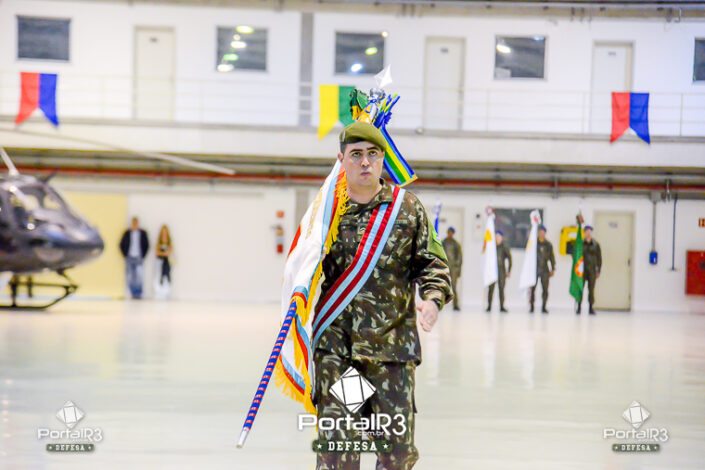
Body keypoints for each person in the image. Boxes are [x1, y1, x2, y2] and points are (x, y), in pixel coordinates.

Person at [314, 121, 453, 470]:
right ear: (341, 159)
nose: (365, 162)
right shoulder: (326, 210)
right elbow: (302, 268)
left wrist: (433, 299)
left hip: (392, 353)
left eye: (373, 154)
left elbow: (433, 263)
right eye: (356, 154)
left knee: (396, 453)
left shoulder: (407, 209)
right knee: (340, 450)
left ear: (382, 159)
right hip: (340, 352)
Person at [119, 217, 149, 299]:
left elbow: (146, 245)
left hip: (139, 257)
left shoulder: (142, 233)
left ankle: (138, 293)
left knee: (139, 276)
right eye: (133, 223)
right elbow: (121, 244)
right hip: (129, 257)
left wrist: (143, 255)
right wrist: (125, 255)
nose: (135, 224)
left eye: (136, 223)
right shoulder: (127, 233)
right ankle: (132, 293)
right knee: (130, 276)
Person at [529, 224, 555, 314]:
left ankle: (544, 306)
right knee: (532, 289)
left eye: (543, 232)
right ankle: (532, 307)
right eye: (540, 232)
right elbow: (528, 256)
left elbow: (552, 257)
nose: (541, 234)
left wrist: (553, 268)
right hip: (534, 269)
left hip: (545, 269)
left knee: (545, 289)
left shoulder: (548, 245)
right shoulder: (533, 243)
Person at [579, 225, 602, 315]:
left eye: (589, 231)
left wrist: (598, 270)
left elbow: (599, 258)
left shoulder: (596, 244)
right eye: (586, 231)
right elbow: (576, 256)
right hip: (582, 270)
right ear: (584, 233)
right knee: (580, 289)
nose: (588, 233)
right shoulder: (580, 244)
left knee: (591, 289)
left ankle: (590, 308)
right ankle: (579, 307)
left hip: (592, 270)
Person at [487, 230, 512, 313]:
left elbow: (510, 258)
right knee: (491, 289)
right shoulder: (491, 246)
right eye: (496, 237)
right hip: (492, 271)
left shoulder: (504, 247)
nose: (497, 238)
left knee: (501, 289)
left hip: (501, 271)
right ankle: (489, 306)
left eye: (499, 237)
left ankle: (502, 306)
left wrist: (509, 270)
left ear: (502, 238)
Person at [442, 226, 463, 311]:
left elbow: (459, 258)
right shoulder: (443, 243)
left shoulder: (456, 244)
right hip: (445, 267)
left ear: (453, 233)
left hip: (453, 269)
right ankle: (441, 303)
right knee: (443, 286)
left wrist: (458, 269)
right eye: (449, 232)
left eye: (451, 232)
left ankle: (455, 304)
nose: (450, 234)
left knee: (453, 287)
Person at [154, 224, 173, 299]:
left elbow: (169, 252)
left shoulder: (169, 242)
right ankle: (158, 292)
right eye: (163, 231)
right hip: (159, 262)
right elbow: (157, 252)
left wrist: (164, 253)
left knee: (166, 277)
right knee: (158, 276)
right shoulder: (159, 242)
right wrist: (164, 253)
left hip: (166, 262)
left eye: (165, 231)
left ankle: (166, 292)